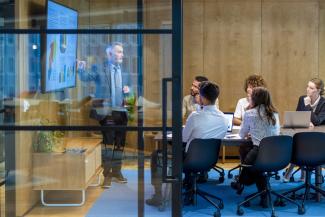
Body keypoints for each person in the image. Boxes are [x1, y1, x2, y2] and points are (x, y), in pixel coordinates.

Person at [146, 81, 228, 207]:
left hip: (189, 159)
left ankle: (158, 196)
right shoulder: (223, 118)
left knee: (156, 155)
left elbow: (183, 139)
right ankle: (190, 186)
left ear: (203, 98)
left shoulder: (195, 116)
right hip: (210, 160)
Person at [78, 42, 131, 188]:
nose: (122, 55)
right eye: (119, 52)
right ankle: (107, 175)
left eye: (122, 52)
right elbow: (86, 77)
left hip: (121, 112)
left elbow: (130, 90)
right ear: (110, 54)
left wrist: (128, 90)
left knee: (120, 144)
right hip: (107, 113)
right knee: (108, 144)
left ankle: (117, 172)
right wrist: (81, 69)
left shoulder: (125, 71)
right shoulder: (100, 69)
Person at [231, 87, 280, 208]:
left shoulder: (249, 113)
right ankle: (263, 195)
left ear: (254, 99)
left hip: (259, 153)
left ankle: (241, 182)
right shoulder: (274, 113)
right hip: (277, 153)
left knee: (253, 161)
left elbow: (242, 134)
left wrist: (252, 131)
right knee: (258, 167)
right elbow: (276, 132)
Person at [283, 78, 325, 182]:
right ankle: (301, 174)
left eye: (311, 88)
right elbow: (298, 117)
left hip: (319, 138)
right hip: (304, 134)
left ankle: (292, 172)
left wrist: (308, 106)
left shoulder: (323, 103)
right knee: (298, 142)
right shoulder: (302, 98)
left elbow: (317, 121)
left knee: (302, 145)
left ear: (318, 90)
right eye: (307, 86)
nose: (308, 89)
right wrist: (305, 122)